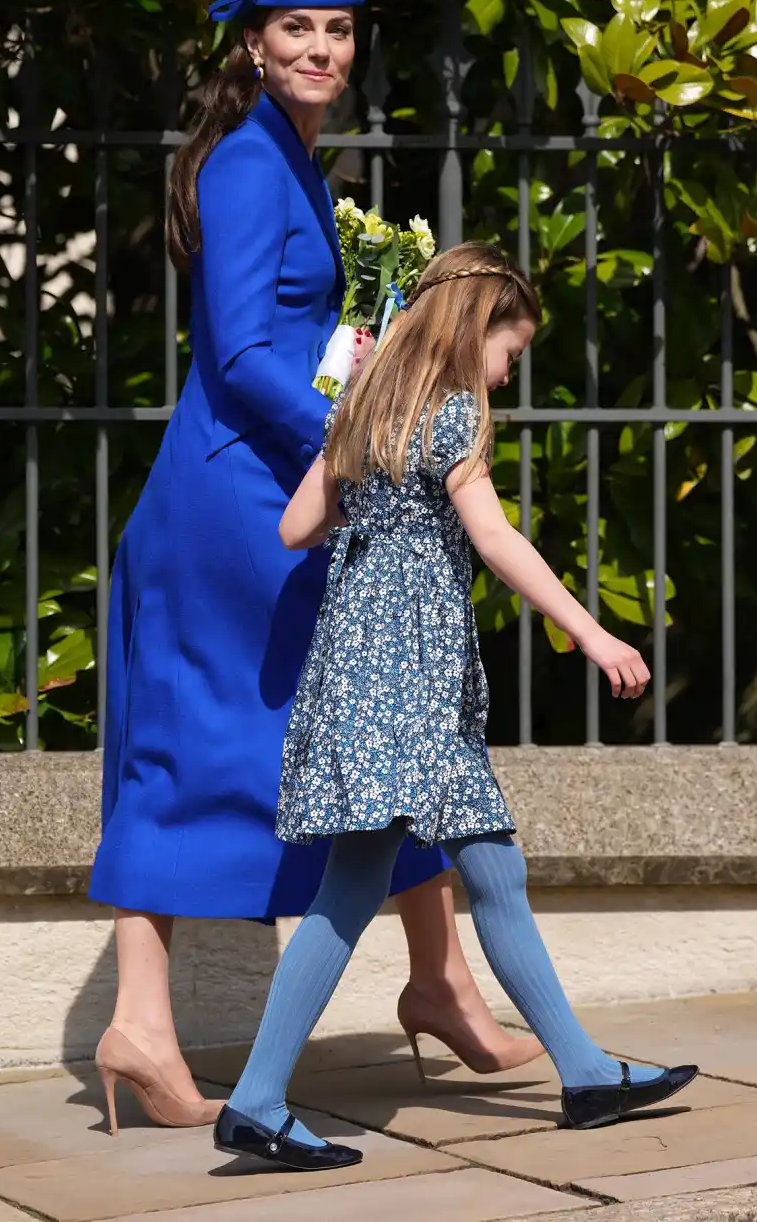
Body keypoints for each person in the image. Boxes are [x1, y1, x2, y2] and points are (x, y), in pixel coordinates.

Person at [88, 0, 540, 1136]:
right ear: (253, 40)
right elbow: (238, 356)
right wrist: (367, 440)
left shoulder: (287, 153)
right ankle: (143, 1016)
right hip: (241, 496)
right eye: (298, 27)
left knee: (353, 720)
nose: (321, 49)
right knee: (227, 742)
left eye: (338, 30)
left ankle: (436, 971)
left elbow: (291, 343)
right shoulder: (245, 160)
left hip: (281, 481)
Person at [212, 242, 699, 1171]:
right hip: (413, 684)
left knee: (471, 873)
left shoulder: (362, 409)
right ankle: (259, 1097)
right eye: (510, 348)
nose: (509, 368)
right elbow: (493, 535)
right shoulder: (455, 411)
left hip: (365, 672)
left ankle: (583, 1071)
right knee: (375, 885)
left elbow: (294, 527)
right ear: (476, 329)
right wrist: (590, 632)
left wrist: (367, 490)